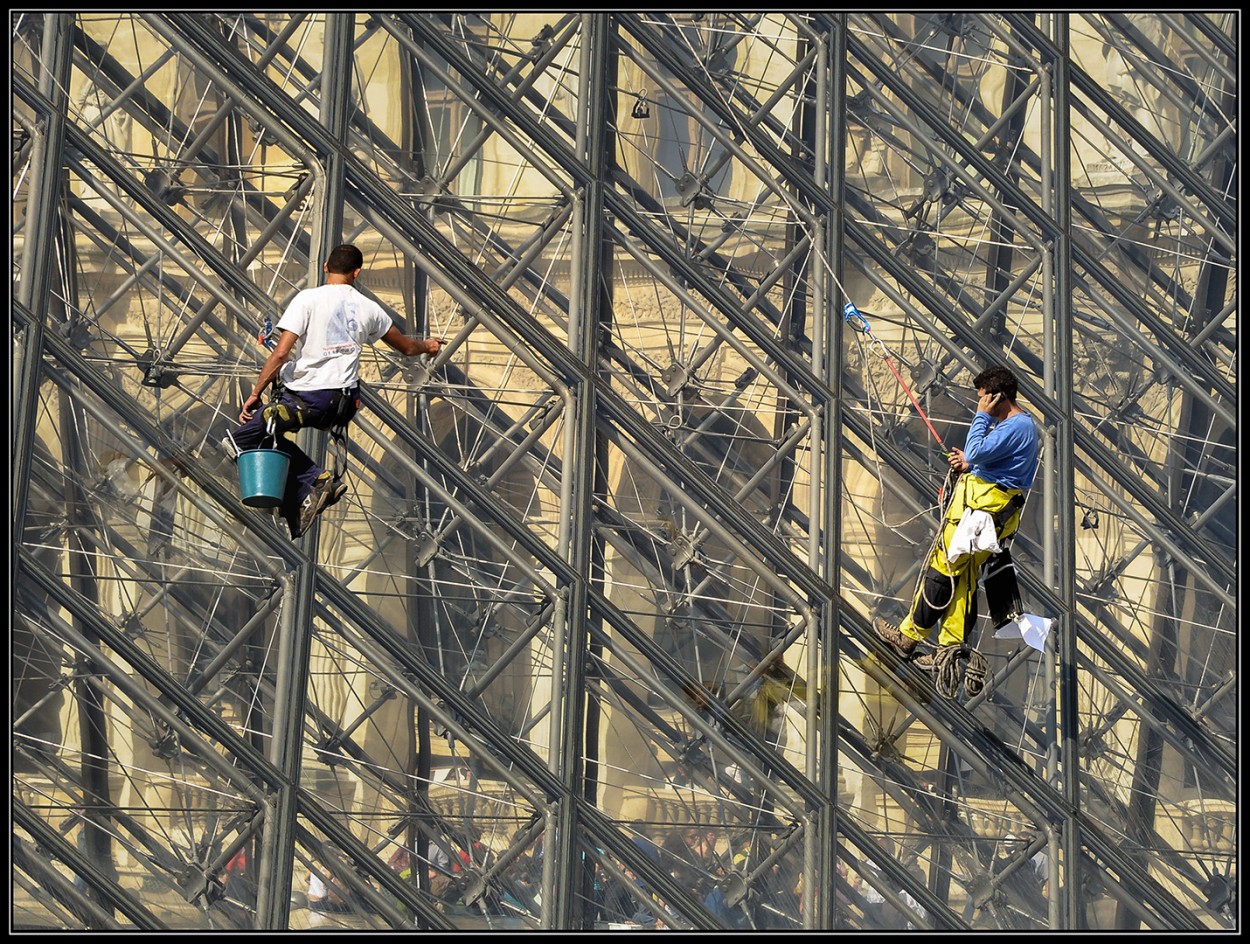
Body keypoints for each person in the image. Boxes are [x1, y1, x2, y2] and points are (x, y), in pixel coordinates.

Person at [226, 243, 443, 538]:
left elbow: (280, 354)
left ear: (326, 267)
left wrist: (255, 392)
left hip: (307, 398)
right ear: (357, 272)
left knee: (240, 439)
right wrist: (428, 346)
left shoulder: (307, 299)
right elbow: (406, 348)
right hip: (341, 404)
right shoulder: (370, 308)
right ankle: (298, 499)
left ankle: (313, 482)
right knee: (268, 430)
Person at [875, 365, 1039, 699]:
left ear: (997, 396)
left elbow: (979, 450)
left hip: (980, 514)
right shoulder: (1016, 427)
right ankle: (948, 648)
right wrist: (969, 464)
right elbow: (986, 460)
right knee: (961, 581)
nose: (981, 403)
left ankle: (908, 637)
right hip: (983, 515)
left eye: (983, 397)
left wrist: (980, 419)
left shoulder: (1018, 425)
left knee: (942, 572)